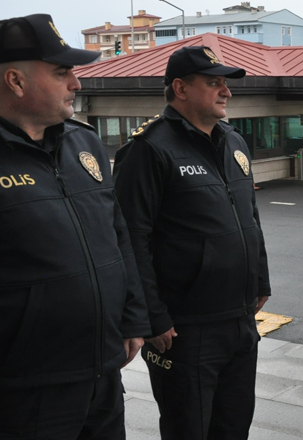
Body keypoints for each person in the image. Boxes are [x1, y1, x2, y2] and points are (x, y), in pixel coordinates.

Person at [0, 13, 149, 438]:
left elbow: (117, 232)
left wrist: (133, 318)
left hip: (102, 373)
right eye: (62, 72)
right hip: (25, 387)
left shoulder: (83, 142)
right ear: (16, 80)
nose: (77, 84)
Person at [113, 46, 271, 439]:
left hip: (238, 320)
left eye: (226, 83)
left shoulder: (233, 141)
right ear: (180, 88)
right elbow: (131, 238)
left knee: (234, 426)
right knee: (190, 429)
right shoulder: (148, 149)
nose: (226, 92)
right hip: (185, 329)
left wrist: (261, 281)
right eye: (214, 82)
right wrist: (152, 316)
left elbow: (250, 218)